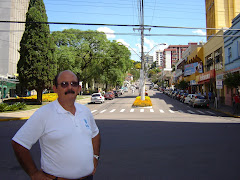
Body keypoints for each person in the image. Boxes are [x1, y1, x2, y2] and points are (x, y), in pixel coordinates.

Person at [11, 70, 101, 180]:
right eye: (64, 84)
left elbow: (95, 134)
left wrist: (95, 158)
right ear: (55, 88)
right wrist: (34, 173)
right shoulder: (44, 114)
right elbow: (19, 143)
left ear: (79, 88)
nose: (70, 88)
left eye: (74, 84)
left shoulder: (85, 112)